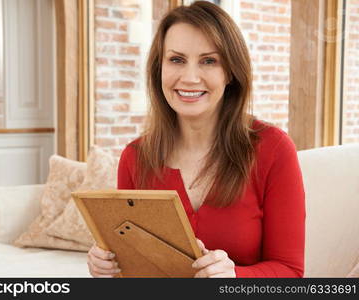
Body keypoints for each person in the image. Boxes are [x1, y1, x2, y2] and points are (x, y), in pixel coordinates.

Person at [87, 1, 305, 278]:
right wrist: (109, 267)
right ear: (159, 69)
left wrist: (235, 277)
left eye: (209, 61)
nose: (190, 77)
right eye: (176, 60)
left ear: (230, 73)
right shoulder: (135, 157)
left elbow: (291, 273)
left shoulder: (273, 149)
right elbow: (135, 274)